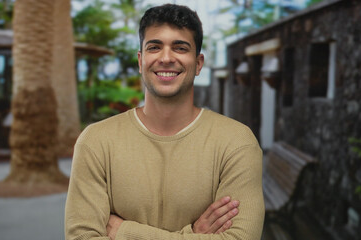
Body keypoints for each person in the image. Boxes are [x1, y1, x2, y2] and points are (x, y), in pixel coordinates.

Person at [65, 4, 264, 240]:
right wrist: (192, 234)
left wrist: (126, 232)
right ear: (140, 61)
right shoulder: (96, 141)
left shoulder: (236, 142)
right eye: (154, 47)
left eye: (180, 48)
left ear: (198, 63)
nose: (166, 58)